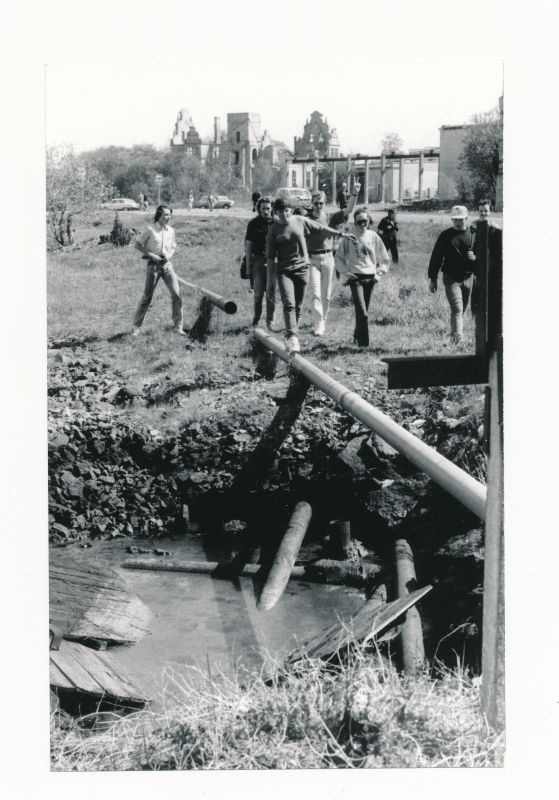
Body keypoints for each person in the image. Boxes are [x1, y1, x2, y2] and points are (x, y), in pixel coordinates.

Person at [266, 198, 356, 353]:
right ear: (275, 213)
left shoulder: (300, 220)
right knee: (289, 304)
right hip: (284, 270)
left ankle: (294, 332)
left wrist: (341, 234)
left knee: (298, 306)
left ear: (291, 210)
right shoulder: (273, 229)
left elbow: (321, 229)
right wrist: (270, 280)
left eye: (287, 211)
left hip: (302, 269)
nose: (284, 215)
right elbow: (270, 257)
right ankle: (292, 337)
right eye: (280, 212)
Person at [305, 182, 360, 336]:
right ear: (312, 203)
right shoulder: (306, 219)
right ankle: (318, 325)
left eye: (321, 203)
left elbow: (349, 209)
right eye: (315, 203)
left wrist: (354, 194)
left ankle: (323, 318)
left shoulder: (330, 217)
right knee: (315, 293)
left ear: (325, 203)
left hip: (328, 257)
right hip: (312, 259)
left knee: (326, 295)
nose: (318, 206)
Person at [334, 207, 390, 347]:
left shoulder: (373, 236)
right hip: (355, 278)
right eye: (359, 222)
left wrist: (379, 274)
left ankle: (356, 336)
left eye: (365, 221)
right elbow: (338, 258)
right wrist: (346, 273)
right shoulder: (349, 237)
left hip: (370, 278)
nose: (362, 224)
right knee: (362, 312)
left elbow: (384, 258)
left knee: (363, 312)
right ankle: (364, 345)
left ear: (369, 221)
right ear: (354, 222)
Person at [132, 205, 184, 336]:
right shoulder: (150, 229)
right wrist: (152, 255)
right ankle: (136, 327)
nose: (169, 217)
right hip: (153, 266)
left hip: (167, 265)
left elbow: (173, 247)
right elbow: (137, 244)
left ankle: (178, 326)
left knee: (177, 296)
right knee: (147, 297)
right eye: (166, 215)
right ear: (159, 215)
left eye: (170, 215)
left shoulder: (171, 231)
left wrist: (169, 256)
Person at [428, 205, 477, 344]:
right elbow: (436, 257)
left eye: (460, 219)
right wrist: (433, 279)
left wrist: (475, 258)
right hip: (451, 278)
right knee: (457, 308)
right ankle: (458, 341)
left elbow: (485, 255)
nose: (457, 222)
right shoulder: (445, 236)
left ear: (466, 218)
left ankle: (453, 338)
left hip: (468, 278)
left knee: (461, 310)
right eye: (454, 219)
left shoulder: (474, 234)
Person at [244, 196, 277, 330]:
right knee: (258, 294)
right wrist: (248, 266)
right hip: (257, 260)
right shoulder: (253, 223)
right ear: (259, 208)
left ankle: (270, 322)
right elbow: (248, 246)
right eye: (263, 208)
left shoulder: (276, 223)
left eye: (268, 208)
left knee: (271, 293)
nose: (265, 211)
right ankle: (256, 319)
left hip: (273, 261)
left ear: (272, 208)